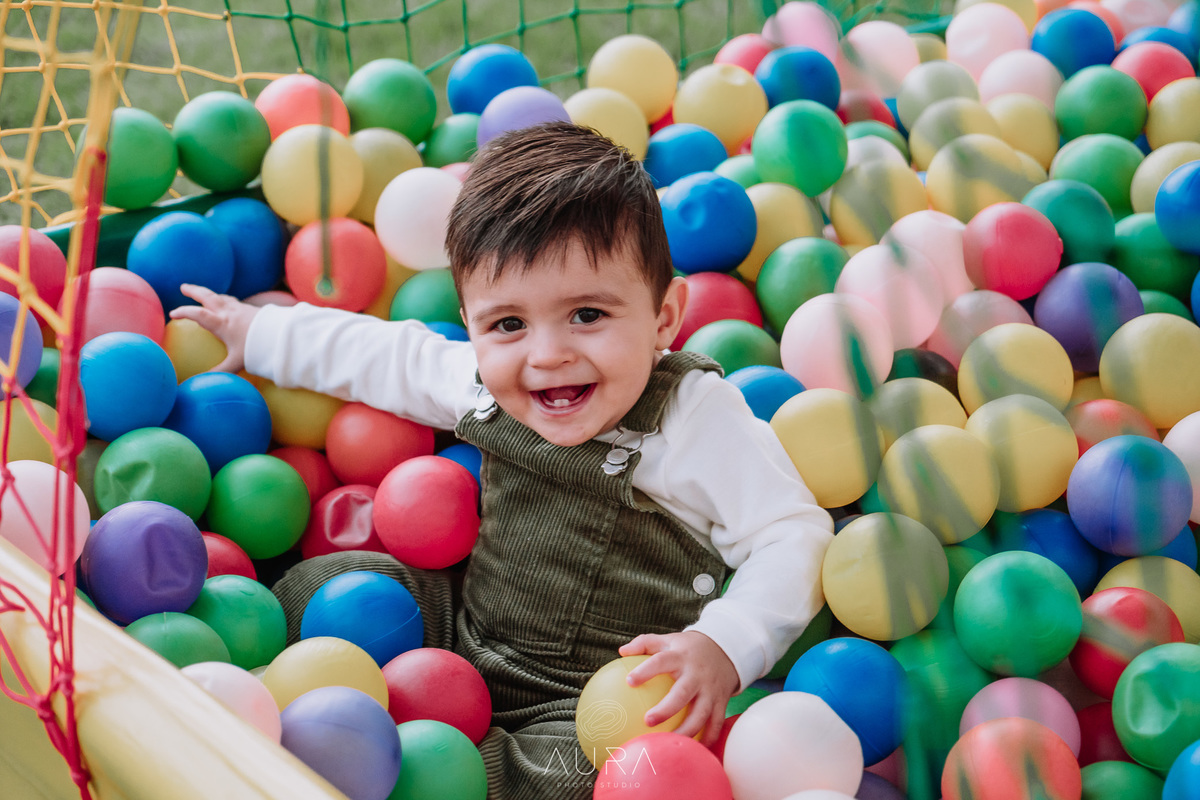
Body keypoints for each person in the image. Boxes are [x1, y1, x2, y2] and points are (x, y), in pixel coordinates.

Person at [172, 121, 833, 799]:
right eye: (508, 325)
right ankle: (274, 706)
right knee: (336, 586)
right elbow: (391, 358)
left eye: (587, 315)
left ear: (664, 318)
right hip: (461, 623)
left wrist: (725, 645)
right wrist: (262, 333)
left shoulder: (695, 417)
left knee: (592, 777)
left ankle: (419, 762)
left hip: (587, 701)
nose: (547, 354)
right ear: (471, 324)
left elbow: (792, 533)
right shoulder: (482, 383)